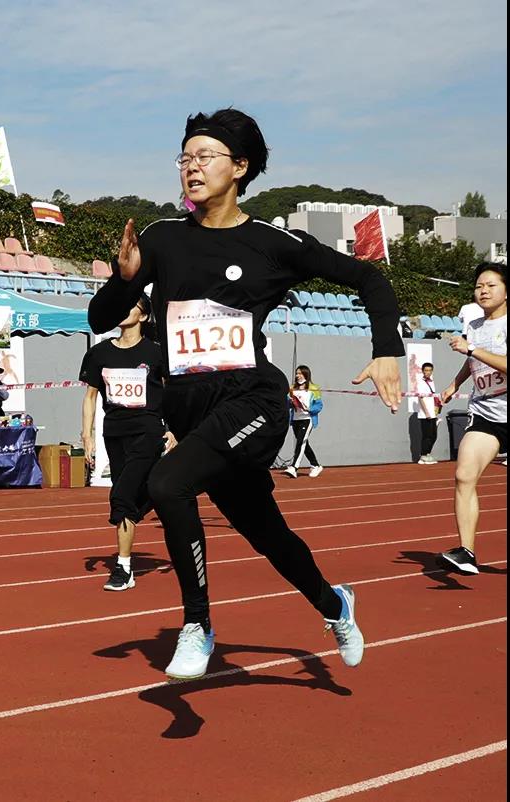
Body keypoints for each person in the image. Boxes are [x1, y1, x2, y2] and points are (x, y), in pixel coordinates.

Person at [88, 107, 404, 680]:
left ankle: (197, 625)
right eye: (184, 157)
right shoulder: (161, 238)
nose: (191, 167)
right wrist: (124, 278)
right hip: (191, 410)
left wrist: (386, 349)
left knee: (167, 482)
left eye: (204, 156)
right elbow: (100, 317)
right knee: (268, 535)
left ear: (239, 167)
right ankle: (336, 605)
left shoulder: (273, 244)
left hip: (252, 399)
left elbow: (369, 278)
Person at [80, 296, 175, 591]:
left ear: (144, 316)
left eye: (130, 306)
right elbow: (90, 397)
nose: (122, 310)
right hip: (114, 432)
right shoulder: (99, 353)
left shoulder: (157, 353)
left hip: (148, 431)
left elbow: (174, 394)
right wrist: (87, 436)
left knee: (121, 496)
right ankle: (155, 498)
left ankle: (122, 568)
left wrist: (175, 430)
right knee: (130, 499)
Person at [437, 263, 507, 575]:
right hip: (486, 413)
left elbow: (479, 354)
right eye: (479, 286)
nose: (483, 291)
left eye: (491, 285)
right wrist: (454, 385)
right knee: (464, 475)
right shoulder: (475, 325)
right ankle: (466, 552)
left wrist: (472, 348)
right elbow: (471, 361)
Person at [285, 365, 323, 478]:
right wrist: (290, 402)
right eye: (297, 373)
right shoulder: (292, 388)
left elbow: (319, 405)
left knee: (300, 442)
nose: (298, 375)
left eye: (300, 373)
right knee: (303, 444)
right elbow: (288, 404)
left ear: (306, 374)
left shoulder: (314, 388)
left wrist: (310, 409)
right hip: (296, 419)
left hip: (307, 419)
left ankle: (294, 467)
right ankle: (315, 465)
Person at [416, 362, 441, 464]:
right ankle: (423, 455)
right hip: (425, 414)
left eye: (430, 370)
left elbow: (433, 397)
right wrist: (426, 413)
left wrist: (436, 409)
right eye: (426, 370)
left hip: (433, 413)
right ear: (422, 371)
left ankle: (427, 454)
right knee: (427, 435)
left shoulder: (431, 382)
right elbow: (420, 398)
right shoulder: (420, 383)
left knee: (433, 435)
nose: (428, 372)